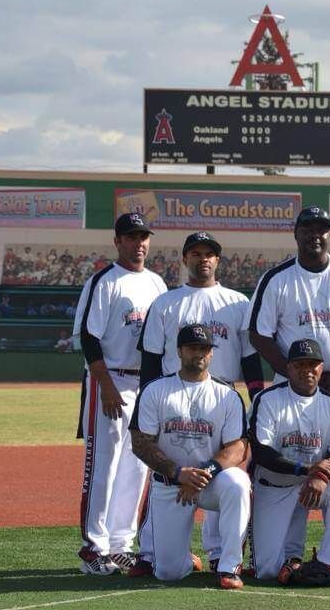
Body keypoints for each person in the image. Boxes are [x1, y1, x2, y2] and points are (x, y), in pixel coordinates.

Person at [131, 231, 265, 576]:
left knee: (227, 475)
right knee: (162, 472)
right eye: (195, 253)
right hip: (171, 397)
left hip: (223, 401)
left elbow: (250, 357)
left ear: (218, 261)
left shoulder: (237, 302)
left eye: (209, 253)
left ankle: (222, 555)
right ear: (184, 259)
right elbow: (150, 357)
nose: (202, 258)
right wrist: (147, 401)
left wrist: (255, 396)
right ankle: (151, 552)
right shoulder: (166, 302)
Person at [73, 212, 167, 575]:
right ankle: (93, 547)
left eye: (143, 236)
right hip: (109, 380)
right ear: (118, 241)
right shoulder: (104, 281)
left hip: (144, 384)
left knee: (136, 465)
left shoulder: (157, 284)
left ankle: (120, 544)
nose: (138, 243)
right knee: (103, 465)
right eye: (131, 236)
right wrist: (107, 387)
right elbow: (88, 337)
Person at [130, 323, 251, 589]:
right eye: (192, 348)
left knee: (238, 483)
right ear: (179, 351)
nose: (199, 353)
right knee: (168, 573)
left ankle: (229, 567)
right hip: (171, 484)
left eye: (204, 348)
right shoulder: (155, 390)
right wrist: (178, 473)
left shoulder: (227, 396)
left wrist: (203, 473)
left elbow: (238, 448)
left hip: (211, 482)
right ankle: (184, 559)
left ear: (212, 353)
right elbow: (140, 443)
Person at [247, 338, 330, 586]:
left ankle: (329, 562)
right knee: (267, 571)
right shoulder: (268, 400)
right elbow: (261, 452)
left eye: (313, 364)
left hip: (315, 485)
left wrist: (320, 476)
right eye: (300, 365)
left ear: (322, 368)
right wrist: (308, 469)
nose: (307, 370)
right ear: (288, 368)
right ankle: (294, 563)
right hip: (275, 486)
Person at [246, 205, 330, 404]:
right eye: (308, 229)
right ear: (296, 234)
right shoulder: (276, 279)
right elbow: (258, 335)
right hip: (289, 382)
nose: (315, 235)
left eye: (322, 230)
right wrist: (291, 373)